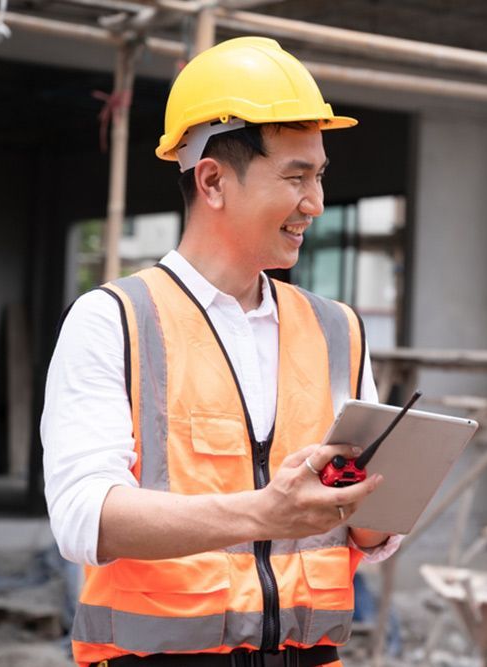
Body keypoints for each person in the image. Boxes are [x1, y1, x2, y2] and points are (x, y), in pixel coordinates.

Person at [42, 36, 398, 667]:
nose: (314, 203)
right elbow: (83, 517)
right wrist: (263, 512)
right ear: (212, 180)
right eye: (295, 177)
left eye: (318, 176)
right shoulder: (115, 321)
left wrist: (378, 508)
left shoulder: (339, 328)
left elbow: (370, 533)